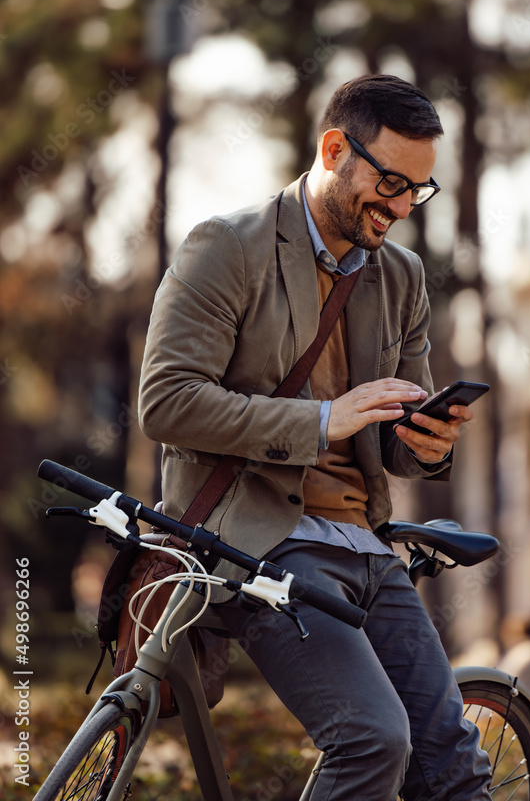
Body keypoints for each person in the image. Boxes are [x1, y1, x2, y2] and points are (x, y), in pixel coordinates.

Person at [138, 74, 492, 800]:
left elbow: (392, 436)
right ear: (334, 149)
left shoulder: (402, 277)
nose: (399, 207)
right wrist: (322, 421)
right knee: (372, 737)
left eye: (416, 191)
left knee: (451, 760)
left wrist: (425, 444)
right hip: (254, 542)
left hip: (364, 543)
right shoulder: (226, 248)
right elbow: (166, 403)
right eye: (389, 181)